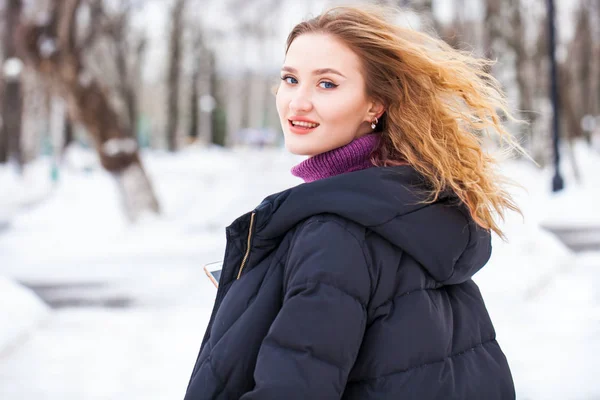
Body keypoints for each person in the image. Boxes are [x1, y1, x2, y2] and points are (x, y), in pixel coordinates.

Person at [185, 4, 522, 399]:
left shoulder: (335, 235)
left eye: (327, 84)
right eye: (290, 79)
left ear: (374, 105)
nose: (297, 103)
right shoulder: (413, 206)